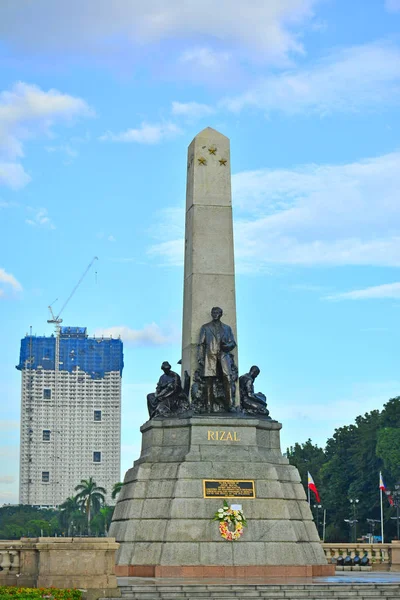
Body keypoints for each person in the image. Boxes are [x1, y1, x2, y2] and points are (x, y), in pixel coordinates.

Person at [197, 307, 236, 411]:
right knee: (209, 381)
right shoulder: (205, 327)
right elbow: (201, 344)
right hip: (210, 356)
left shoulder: (227, 328)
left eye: (217, 312)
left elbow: (233, 342)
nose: (214, 314)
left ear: (221, 314)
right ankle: (208, 405)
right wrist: (200, 357)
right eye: (213, 312)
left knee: (227, 379)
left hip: (223, 356)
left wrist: (227, 346)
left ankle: (230, 405)